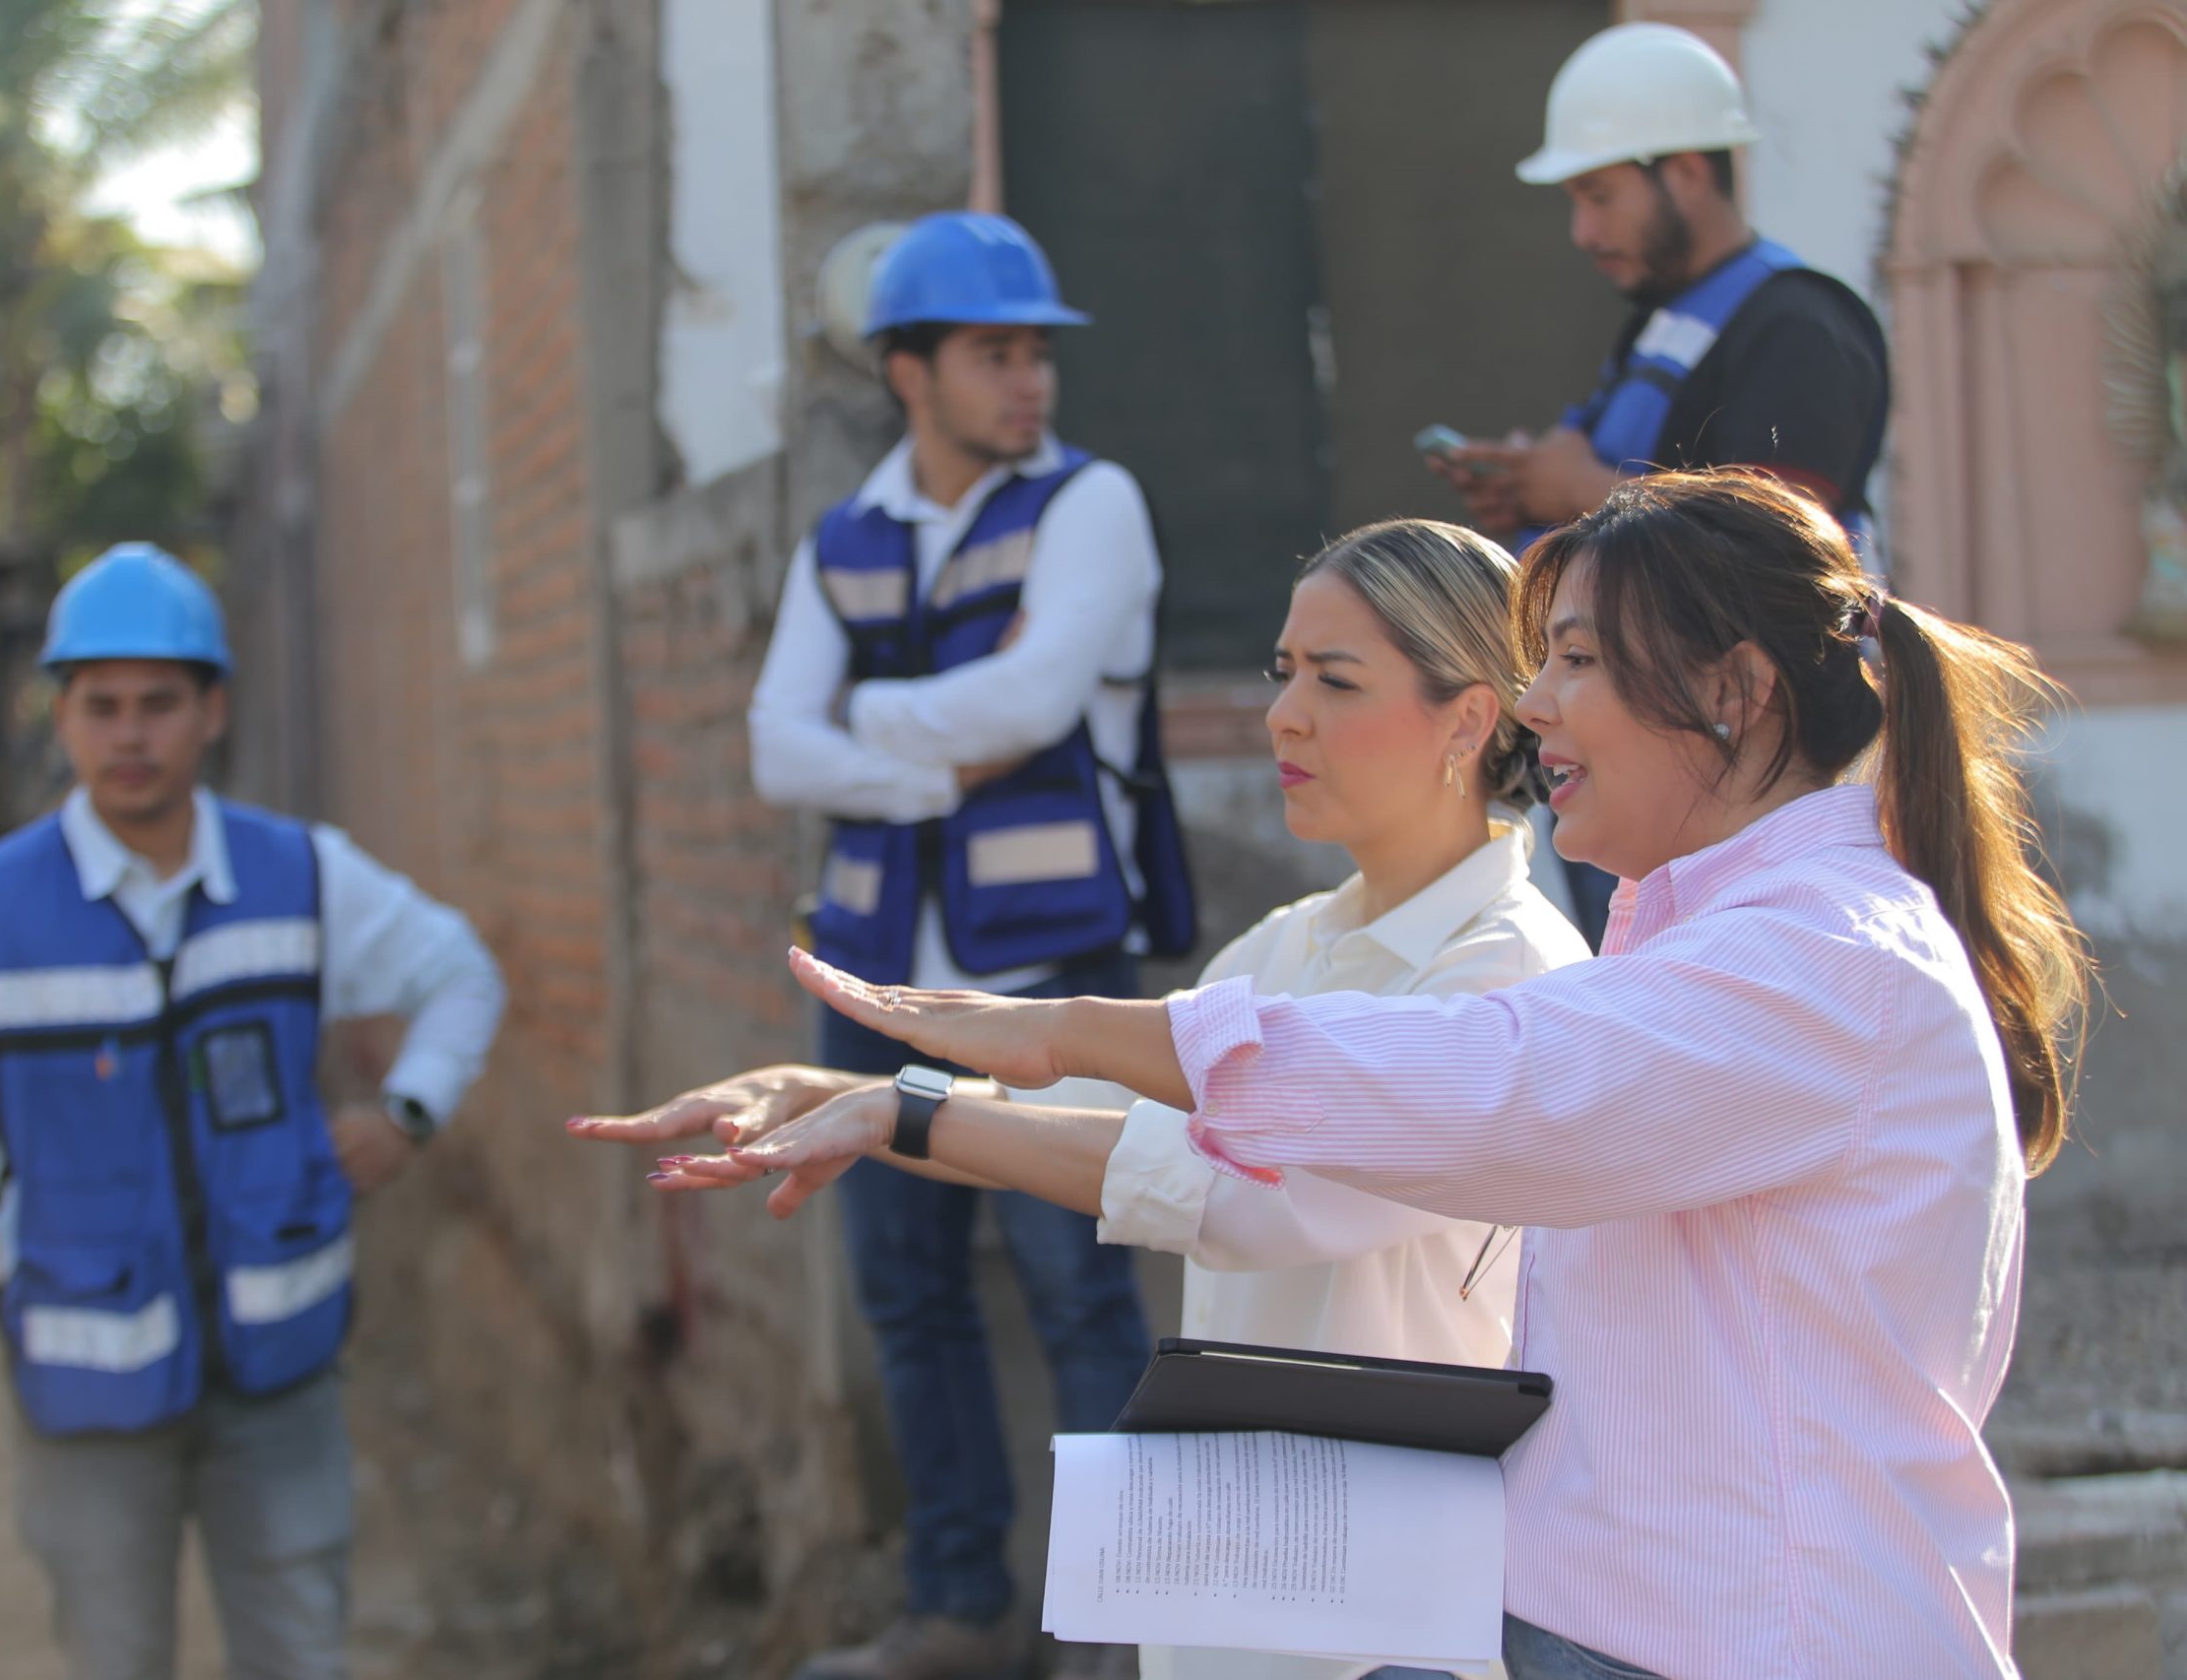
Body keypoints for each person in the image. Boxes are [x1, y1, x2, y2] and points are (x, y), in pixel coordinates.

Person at [674, 471, 2091, 1680]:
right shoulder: (1701, 941)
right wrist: (895, 1096)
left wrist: (1053, 1041)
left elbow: (1484, 1093)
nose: (1538, 704)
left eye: (1578, 661)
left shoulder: (1816, 956)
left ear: (1736, 690)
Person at [578, 518, 1589, 1680]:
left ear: (1467, 718)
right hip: (1247, 1571)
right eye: (1282, 671)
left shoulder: (1508, 975)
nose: (1283, 714)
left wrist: (905, 1110)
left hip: (1400, 1615)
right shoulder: (1284, 948)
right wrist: (853, 1092)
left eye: (1335, 679)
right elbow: (1102, 1119)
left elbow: (1245, 1191)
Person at [0, 544, 507, 1680]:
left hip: (280, 1374)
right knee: (115, 1655)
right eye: (101, 706)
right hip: (87, 1384)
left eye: (158, 703)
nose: (129, 734)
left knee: (300, 1653)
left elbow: (460, 972)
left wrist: (409, 1110)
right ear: (61, 716)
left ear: (211, 710)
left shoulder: (301, 874)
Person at [739, 209, 1194, 1680]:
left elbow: (1036, 700)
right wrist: (933, 768)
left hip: (1052, 974)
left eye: (1036, 352)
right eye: (993, 353)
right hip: (875, 978)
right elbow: (773, 747)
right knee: (906, 1289)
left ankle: (1116, 1627)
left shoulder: (1091, 503)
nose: (1029, 379)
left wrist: (863, 717)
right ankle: (953, 1608)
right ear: (907, 371)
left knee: (1079, 1289)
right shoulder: (845, 535)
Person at [1431, 20, 1891, 946]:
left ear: (1684, 171)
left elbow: (1770, 557)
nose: (1583, 231)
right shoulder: (1664, 319)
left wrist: (1579, 492)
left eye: (1598, 195)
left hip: (1731, 776)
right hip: (1636, 757)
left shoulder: (1800, 328)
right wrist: (1533, 493)